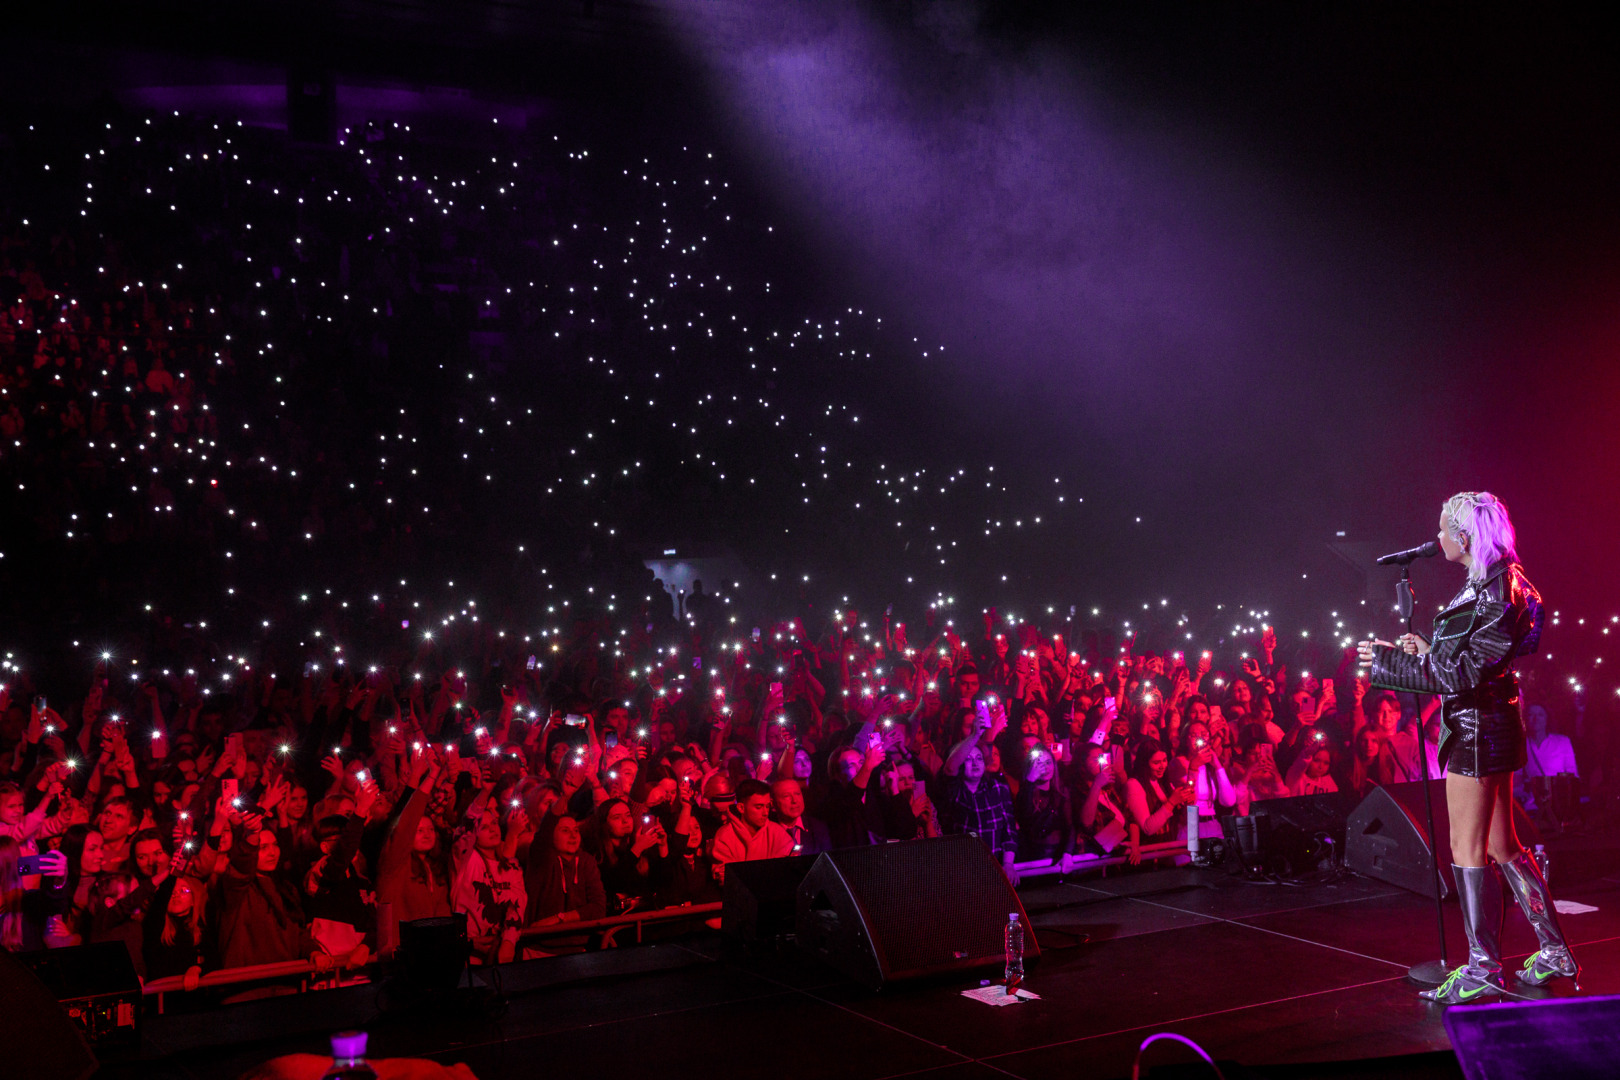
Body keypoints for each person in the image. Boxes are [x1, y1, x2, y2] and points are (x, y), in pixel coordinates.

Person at [1360, 491, 1576, 1003]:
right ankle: (1553, 950)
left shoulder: (1500, 589)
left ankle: (1482, 967)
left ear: (1464, 535)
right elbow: (1475, 661)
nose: (1436, 539)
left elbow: (1469, 671)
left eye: (1442, 530)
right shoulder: (1492, 583)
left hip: (1478, 730)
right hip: (1484, 721)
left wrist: (1390, 666)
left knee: (1466, 847)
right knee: (1503, 846)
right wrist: (1429, 652)